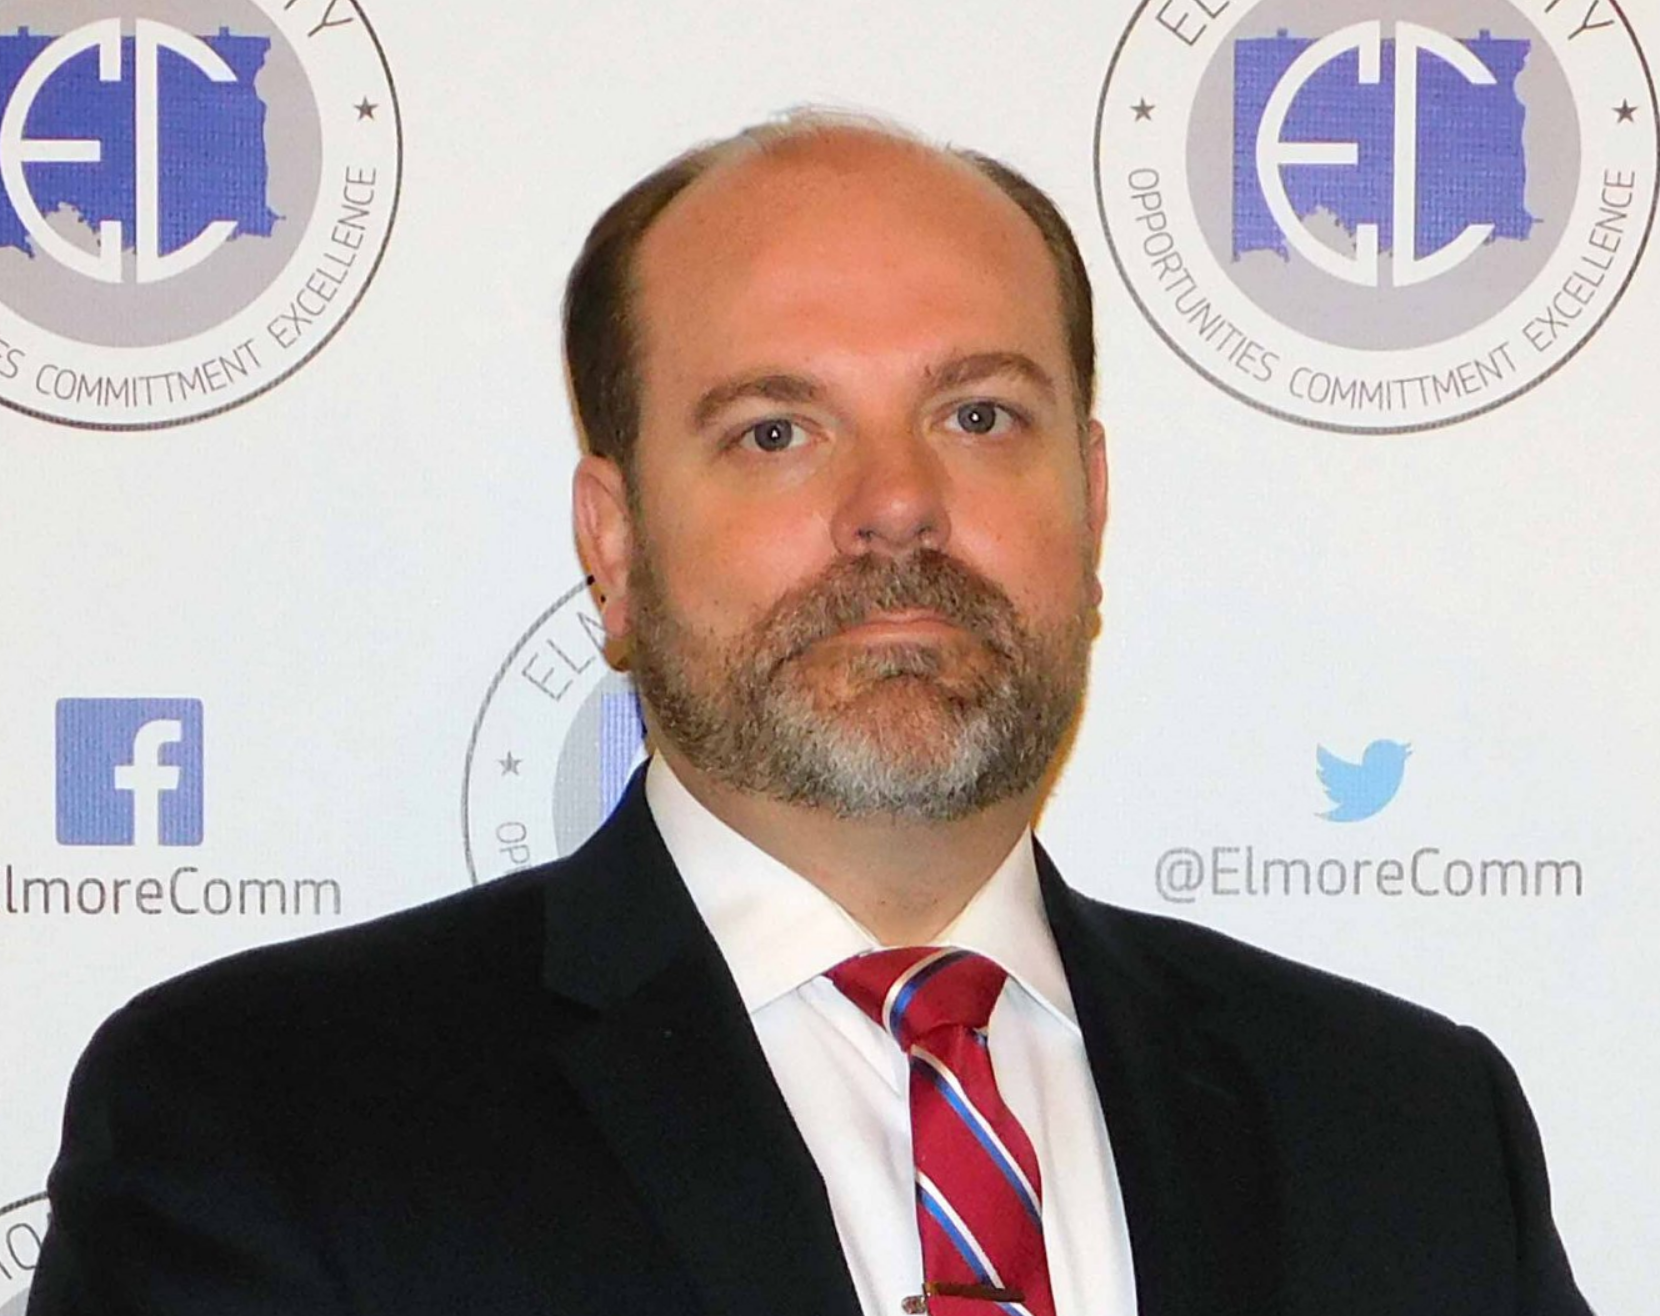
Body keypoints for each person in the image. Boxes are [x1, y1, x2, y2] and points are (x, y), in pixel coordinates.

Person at [29, 111, 1591, 1316]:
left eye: (980, 416)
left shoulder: (1408, 1131)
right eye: (776, 430)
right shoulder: (269, 1116)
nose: (897, 505)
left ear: (1091, 504)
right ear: (616, 542)